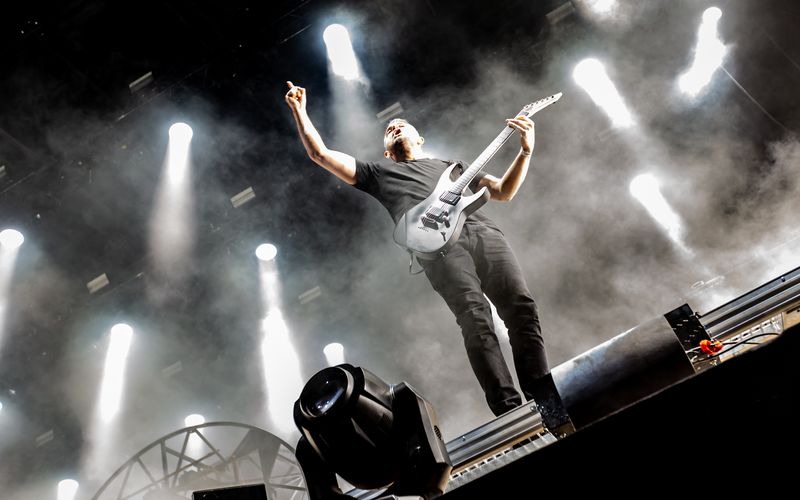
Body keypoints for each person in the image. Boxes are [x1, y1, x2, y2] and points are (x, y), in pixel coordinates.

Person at [284, 81, 548, 417]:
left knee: (521, 308)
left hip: (484, 233)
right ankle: (510, 411)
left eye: (402, 124)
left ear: (420, 139)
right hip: (438, 248)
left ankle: (544, 397)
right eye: (388, 130)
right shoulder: (378, 173)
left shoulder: (452, 166)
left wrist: (525, 151)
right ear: (386, 152)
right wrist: (300, 111)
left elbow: (504, 191)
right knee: (475, 320)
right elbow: (320, 154)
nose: (394, 127)